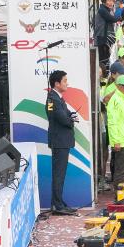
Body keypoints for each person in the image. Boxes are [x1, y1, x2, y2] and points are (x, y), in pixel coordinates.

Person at [45, 70, 77, 215]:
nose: (67, 83)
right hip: (59, 141)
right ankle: (57, 205)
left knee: (60, 174)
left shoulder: (58, 98)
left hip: (62, 141)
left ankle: (58, 202)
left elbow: (64, 113)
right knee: (58, 174)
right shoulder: (52, 98)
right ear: (57, 84)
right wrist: (71, 120)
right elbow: (60, 118)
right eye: (64, 81)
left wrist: (71, 116)